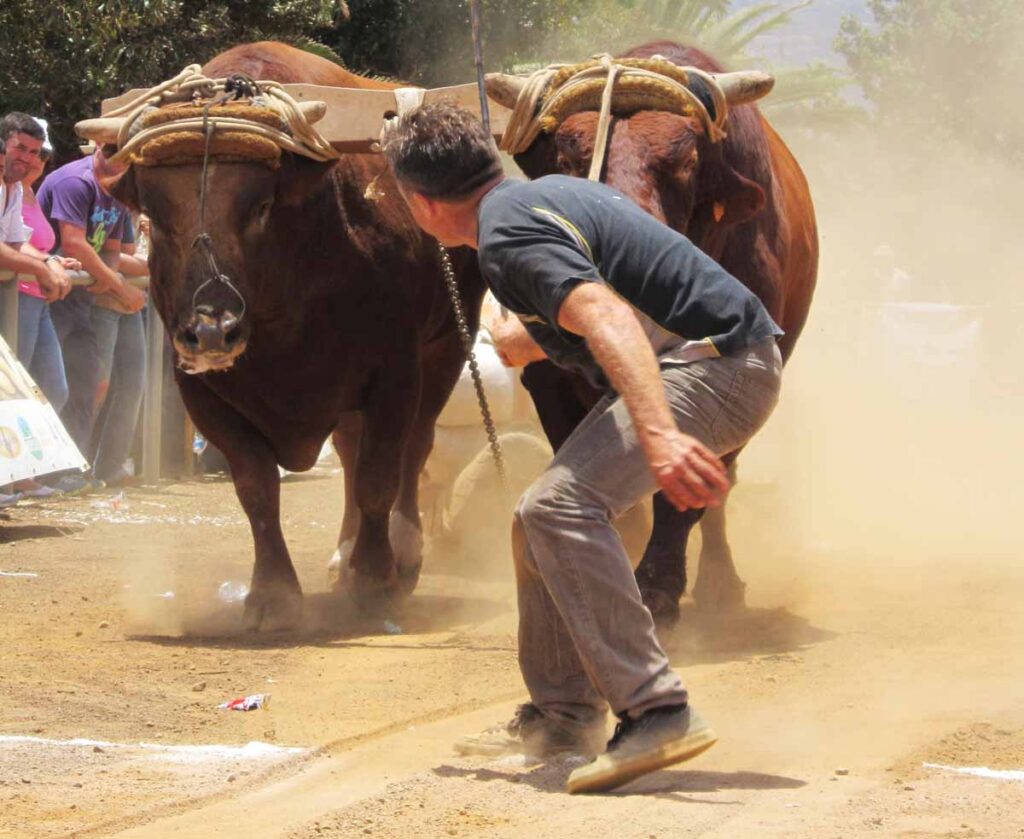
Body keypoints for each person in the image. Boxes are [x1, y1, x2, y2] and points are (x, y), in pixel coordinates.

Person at [381, 103, 783, 794]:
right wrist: (523, 339)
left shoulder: (506, 235)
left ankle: (657, 709)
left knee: (559, 507)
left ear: (421, 204)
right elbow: (592, 306)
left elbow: (605, 314)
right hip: (718, 357)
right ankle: (564, 716)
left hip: (717, 365)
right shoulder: (537, 204)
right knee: (533, 521)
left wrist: (658, 434)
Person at [38, 146, 147, 492]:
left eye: (124, 151)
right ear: (97, 145)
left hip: (79, 300)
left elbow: (112, 249)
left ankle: (70, 469)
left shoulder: (114, 188)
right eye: (111, 148)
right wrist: (119, 287)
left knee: (88, 383)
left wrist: (108, 280)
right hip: (50, 299)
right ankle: (40, 474)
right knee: (48, 386)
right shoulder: (76, 181)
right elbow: (74, 243)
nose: (117, 156)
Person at [0, 113, 74, 499]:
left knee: (49, 388)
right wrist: (43, 265)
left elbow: (13, 247)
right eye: (20, 148)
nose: (28, 159)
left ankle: (20, 475)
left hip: (26, 298)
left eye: (35, 152)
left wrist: (47, 262)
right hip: (17, 299)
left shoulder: (12, 190)